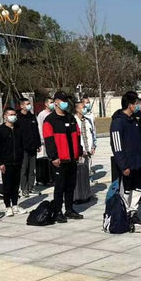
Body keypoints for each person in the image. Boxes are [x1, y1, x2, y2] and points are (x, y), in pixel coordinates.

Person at [42, 91, 84, 222]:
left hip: (72, 158)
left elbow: (77, 135)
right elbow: (49, 140)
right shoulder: (50, 120)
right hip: (60, 160)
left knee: (71, 186)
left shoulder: (70, 118)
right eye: (63, 100)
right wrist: (53, 157)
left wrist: (79, 152)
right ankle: (58, 211)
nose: (65, 103)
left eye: (66, 100)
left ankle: (69, 209)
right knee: (60, 187)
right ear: (56, 102)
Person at [110, 91, 141, 227]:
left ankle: (133, 214)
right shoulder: (118, 122)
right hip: (127, 165)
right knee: (125, 190)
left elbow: (138, 143)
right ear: (130, 105)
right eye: (136, 103)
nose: (138, 106)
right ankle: (124, 215)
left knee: (137, 189)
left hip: (138, 163)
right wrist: (123, 165)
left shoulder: (134, 121)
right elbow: (117, 147)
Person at [0, 107, 27, 217]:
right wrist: (0, 162)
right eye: (11, 115)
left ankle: (15, 205)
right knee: (7, 185)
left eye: (15, 115)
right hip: (6, 162)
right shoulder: (0, 130)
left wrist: (21, 157)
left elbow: (21, 144)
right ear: (5, 116)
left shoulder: (18, 128)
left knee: (15, 185)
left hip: (17, 161)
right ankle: (8, 206)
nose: (14, 116)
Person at [17, 98, 42, 197]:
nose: (29, 105)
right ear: (22, 106)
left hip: (33, 146)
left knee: (32, 169)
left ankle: (31, 186)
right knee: (24, 169)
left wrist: (38, 144)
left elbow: (36, 131)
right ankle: (24, 188)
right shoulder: (18, 118)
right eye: (27, 104)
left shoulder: (32, 116)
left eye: (29, 103)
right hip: (23, 148)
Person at [73, 99, 95, 204]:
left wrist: (93, 146)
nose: (85, 109)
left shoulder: (88, 120)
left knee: (87, 173)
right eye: (83, 107)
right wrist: (80, 150)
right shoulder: (73, 121)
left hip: (88, 150)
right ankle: (78, 195)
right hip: (79, 152)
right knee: (78, 175)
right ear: (77, 109)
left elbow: (92, 133)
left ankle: (86, 193)